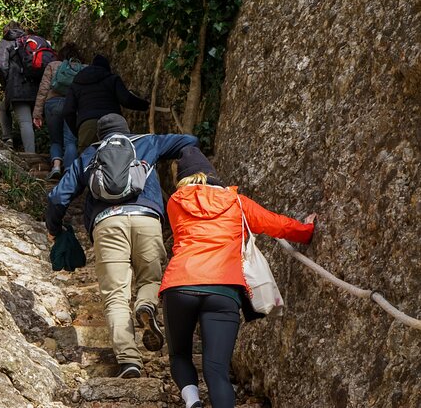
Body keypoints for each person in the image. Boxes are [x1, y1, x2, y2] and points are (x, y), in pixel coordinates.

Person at [160, 146, 317, 408]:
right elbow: (276, 224)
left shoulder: (175, 202)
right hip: (223, 290)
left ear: (183, 178)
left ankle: (192, 402)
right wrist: (306, 229)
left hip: (180, 285)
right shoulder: (237, 202)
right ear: (212, 174)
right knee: (216, 369)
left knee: (179, 355)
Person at [46, 113, 199, 378]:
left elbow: (59, 196)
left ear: (100, 136)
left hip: (107, 225)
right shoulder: (148, 143)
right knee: (150, 278)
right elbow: (189, 140)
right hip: (147, 220)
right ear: (126, 130)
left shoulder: (89, 156)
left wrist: (54, 228)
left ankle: (129, 361)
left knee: (115, 295)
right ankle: (146, 304)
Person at [62, 54, 149, 152]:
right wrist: (145, 105)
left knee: (87, 162)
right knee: (117, 159)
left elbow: (67, 111)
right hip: (113, 124)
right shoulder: (112, 78)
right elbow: (126, 100)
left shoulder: (76, 83)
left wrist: (78, 130)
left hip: (88, 125)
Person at [32, 43, 82, 179]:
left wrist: (37, 114)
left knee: (55, 140)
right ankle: (70, 171)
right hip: (72, 106)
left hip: (52, 104)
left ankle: (56, 166)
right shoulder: (81, 68)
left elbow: (43, 90)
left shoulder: (53, 65)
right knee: (70, 140)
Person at [0, 21, 39, 153]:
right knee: (3, 108)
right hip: (35, 86)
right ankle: (8, 139)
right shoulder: (29, 40)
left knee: (25, 121)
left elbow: (1, 65)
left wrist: (5, 83)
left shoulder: (6, 41)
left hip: (17, 86)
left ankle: (30, 154)